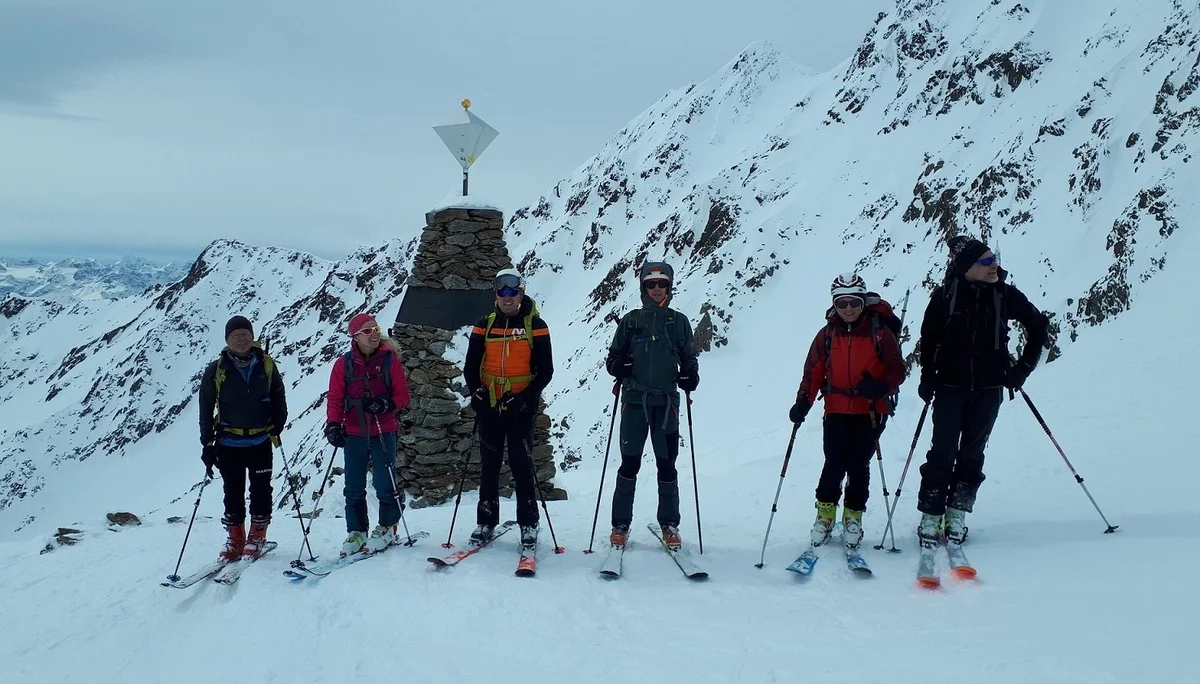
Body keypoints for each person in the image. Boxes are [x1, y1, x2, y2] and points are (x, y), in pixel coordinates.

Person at [915, 235, 1049, 548]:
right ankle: (931, 514)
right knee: (942, 451)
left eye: (994, 259)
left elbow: (1038, 326)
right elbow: (929, 336)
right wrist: (927, 376)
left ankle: (958, 511)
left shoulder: (1005, 295)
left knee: (973, 453)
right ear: (966, 268)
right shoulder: (945, 296)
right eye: (986, 261)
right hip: (950, 386)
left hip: (989, 389)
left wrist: (1022, 370)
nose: (995, 266)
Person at [790, 274, 906, 551]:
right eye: (842, 303)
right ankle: (825, 516)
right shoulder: (828, 334)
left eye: (854, 302)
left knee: (858, 465)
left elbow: (897, 368)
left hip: (871, 410)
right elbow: (813, 372)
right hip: (837, 409)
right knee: (833, 463)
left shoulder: (880, 332)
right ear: (835, 304)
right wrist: (803, 402)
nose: (849, 308)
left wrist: (880, 387)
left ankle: (853, 517)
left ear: (863, 301)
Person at [604, 261, 699, 550]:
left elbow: (689, 358)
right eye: (651, 284)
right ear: (643, 287)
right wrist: (619, 366)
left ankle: (669, 524)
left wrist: (690, 376)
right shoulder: (630, 321)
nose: (657, 289)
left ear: (669, 286)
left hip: (666, 403)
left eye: (662, 284)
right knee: (630, 463)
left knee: (666, 465)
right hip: (635, 401)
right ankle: (620, 524)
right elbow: (612, 359)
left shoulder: (678, 321)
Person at [462, 268, 554, 550]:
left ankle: (528, 523)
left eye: (512, 291)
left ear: (521, 292)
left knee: (522, 465)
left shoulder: (536, 325)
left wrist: (524, 399)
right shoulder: (483, 325)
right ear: (496, 295)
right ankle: (485, 521)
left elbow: (546, 372)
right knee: (489, 466)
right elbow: (470, 367)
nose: (507, 297)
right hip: (490, 406)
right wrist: (476, 391)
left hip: (520, 410)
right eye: (502, 291)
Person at [198, 315, 288, 561]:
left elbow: (279, 396)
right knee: (233, 491)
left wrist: (278, 423)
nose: (241, 338)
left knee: (261, 490)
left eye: (245, 333)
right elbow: (205, 409)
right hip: (229, 442)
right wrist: (207, 444)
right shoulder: (216, 370)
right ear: (227, 340)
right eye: (235, 334)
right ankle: (236, 538)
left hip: (260, 440)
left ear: (252, 336)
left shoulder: (267, 365)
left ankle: (257, 536)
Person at [324, 313, 412, 556]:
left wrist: (385, 405)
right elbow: (335, 398)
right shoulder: (344, 364)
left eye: (375, 329)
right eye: (367, 331)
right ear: (356, 337)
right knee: (353, 485)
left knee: (385, 482)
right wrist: (333, 424)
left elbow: (403, 396)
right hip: (353, 431)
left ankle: (387, 526)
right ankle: (357, 530)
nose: (374, 334)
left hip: (384, 429)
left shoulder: (388, 361)